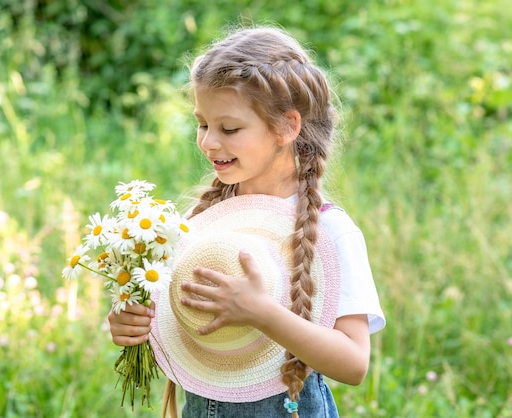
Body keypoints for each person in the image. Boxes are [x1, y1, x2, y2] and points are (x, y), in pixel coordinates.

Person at [107, 25, 385, 418]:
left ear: (287, 127)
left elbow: (354, 363)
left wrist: (263, 313)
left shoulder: (328, 232)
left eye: (230, 129)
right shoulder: (201, 224)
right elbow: (178, 318)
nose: (208, 142)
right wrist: (134, 325)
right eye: (202, 124)